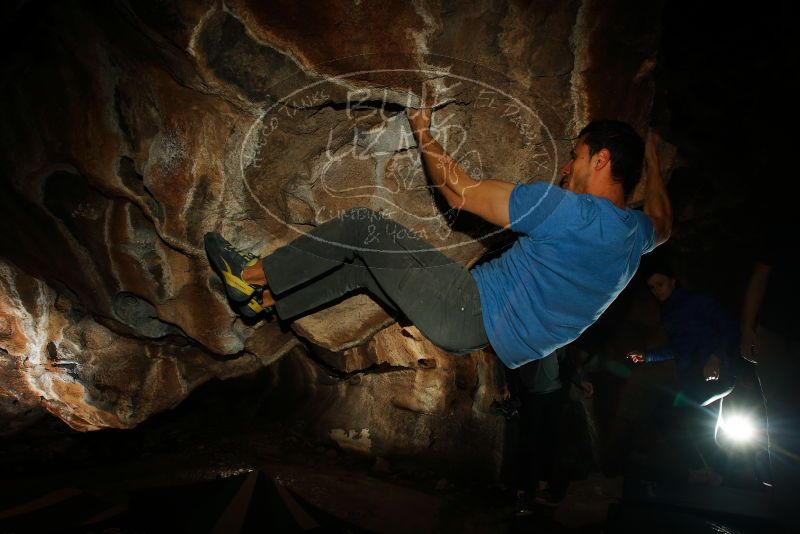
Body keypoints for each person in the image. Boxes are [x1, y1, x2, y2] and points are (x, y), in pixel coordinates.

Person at [204, 105, 671, 370]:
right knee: (362, 268)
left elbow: (459, 191)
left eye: (577, 156)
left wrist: (421, 125)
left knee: (361, 225)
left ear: (602, 160)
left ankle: (247, 275)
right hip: (478, 336)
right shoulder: (635, 236)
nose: (567, 166)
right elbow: (665, 222)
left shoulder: (570, 212)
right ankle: (266, 301)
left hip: (468, 306)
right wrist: (651, 158)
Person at [627, 265, 739, 483]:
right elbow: (679, 348)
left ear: (673, 281)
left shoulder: (697, 301)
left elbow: (729, 328)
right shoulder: (668, 312)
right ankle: (728, 476)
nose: (656, 291)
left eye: (659, 284)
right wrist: (647, 356)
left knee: (667, 414)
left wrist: (715, 358)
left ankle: (703, 471)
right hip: (692, 377)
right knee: (700, 428)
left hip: (716, 374)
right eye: (651, 287)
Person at [740, 208, 800, 520]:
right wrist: (749, 328)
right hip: (777, 334)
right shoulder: (787, 224)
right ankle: (787, 496)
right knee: (779, 415)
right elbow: (760, 276)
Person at [510, 346, 594, 514]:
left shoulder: (552, 332)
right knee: (529, 444)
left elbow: (563, 361)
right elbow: (508, 360)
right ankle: (527, 491)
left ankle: (546, 487)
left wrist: (579, 381)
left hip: (553, 394)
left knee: (551, 442)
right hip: (531, 395)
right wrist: (506, 387)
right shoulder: (521, 334)